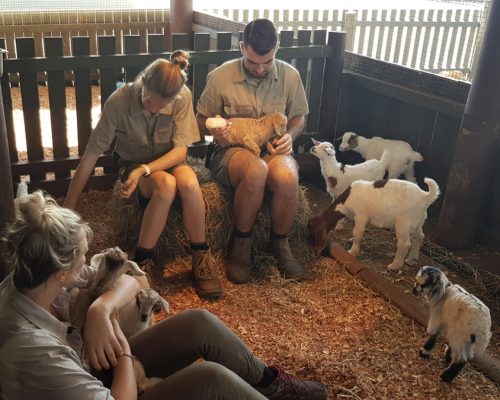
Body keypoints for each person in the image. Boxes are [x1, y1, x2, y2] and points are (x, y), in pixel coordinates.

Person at [0, 191, 328, 400]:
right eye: (83, 256)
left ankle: (272, 384)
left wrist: (101, 309)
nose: (88, 263)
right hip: (105, 388)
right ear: (61, 270)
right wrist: (126, 353)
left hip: (91, 368)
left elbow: (132, 276)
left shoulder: (34, 277)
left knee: (198, 322)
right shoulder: (33, 350)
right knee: (210, 379)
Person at [64, 51, 221, 300]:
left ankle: (200, 255)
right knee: (166, 186)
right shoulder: (119, 101)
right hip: (133, 163)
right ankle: (143, 261)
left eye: (163, 106)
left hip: (169, 159)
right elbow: (91, 156)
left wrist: (145, 170)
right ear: (142, 83)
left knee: (190, 183)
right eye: (150, 102)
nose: (155, 109)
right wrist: (67, 210)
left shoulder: (182, 96)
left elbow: (181, 151)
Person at [196, 19, 309, 284]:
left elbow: (299, 117)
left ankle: (280, 244)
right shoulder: (221, 77)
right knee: (257, 170)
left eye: (267, 62)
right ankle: (241, 244)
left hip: (272, 148)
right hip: (231, 152)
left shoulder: (290, 76)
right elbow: (199, 121)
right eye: (252, 62)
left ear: (277, 49)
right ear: (242, 47)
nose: (259, 69)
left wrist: (290, 137)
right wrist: (215, 128)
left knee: (287, 175)